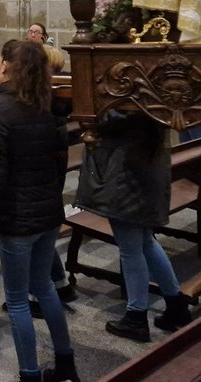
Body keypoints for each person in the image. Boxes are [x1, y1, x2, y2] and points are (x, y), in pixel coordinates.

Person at [0, 39, 79, 382]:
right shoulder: (48, 108)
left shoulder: (0, 111)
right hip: (48, 213)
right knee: (45, 287)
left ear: (6, 66)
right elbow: (58, 165)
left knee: (17, 301)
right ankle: (67, 365)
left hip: (19, 221)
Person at [76, 108, 191, 342]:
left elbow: (114, 120)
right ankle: (176, 304)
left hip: (127, 170)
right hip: (147, 162)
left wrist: (93, 117)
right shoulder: (152, 93)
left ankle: (136, 317)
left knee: (130, 248)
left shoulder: (130, 97)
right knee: (146, 241)